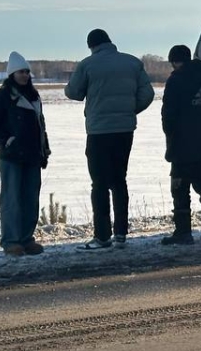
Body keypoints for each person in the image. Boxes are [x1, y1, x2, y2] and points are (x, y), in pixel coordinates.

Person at [65, 29, 154, 250]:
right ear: (110, 42)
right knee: (119, 180)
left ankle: (102, 236)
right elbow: (148, 94)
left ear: (91, 46)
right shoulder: (132, 63)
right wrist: (130, 110)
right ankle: (121, 234)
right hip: (125, 131)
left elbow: (74, 92)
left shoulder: (87, 65)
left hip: (98, 132)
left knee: (100, 184)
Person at [0, 51, 50, 257]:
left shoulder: (33, 95)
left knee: (30, 198)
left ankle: (26, 239)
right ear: (12, 74)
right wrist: (7, 140)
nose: (25, 75)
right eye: (21, 72)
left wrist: (44, 148)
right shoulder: (3, 96)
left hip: (32, 155)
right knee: (12, 199)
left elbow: (41, 124)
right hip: (12, 156)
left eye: (27, 72)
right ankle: (11, 241)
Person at [160, 44, 201, 245]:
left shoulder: (176, 81)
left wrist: (170, 136)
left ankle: (183, 232)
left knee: (179, 186)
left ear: (175, 61)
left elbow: (168, 115)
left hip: (181, 142)